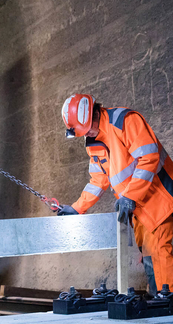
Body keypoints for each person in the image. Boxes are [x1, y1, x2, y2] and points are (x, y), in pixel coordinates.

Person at [58, 94, 173, 294]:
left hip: (160, 200)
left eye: (88, 129)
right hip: (139, 210)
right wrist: (77, 208)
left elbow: (149, 156)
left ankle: (168, 306)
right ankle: (160, 308)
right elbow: (98, 180)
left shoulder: (124, 121)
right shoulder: (93, 141)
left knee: (161, 256)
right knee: (149, 261)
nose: (88, 134)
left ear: (93, 114)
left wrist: (130, 196)